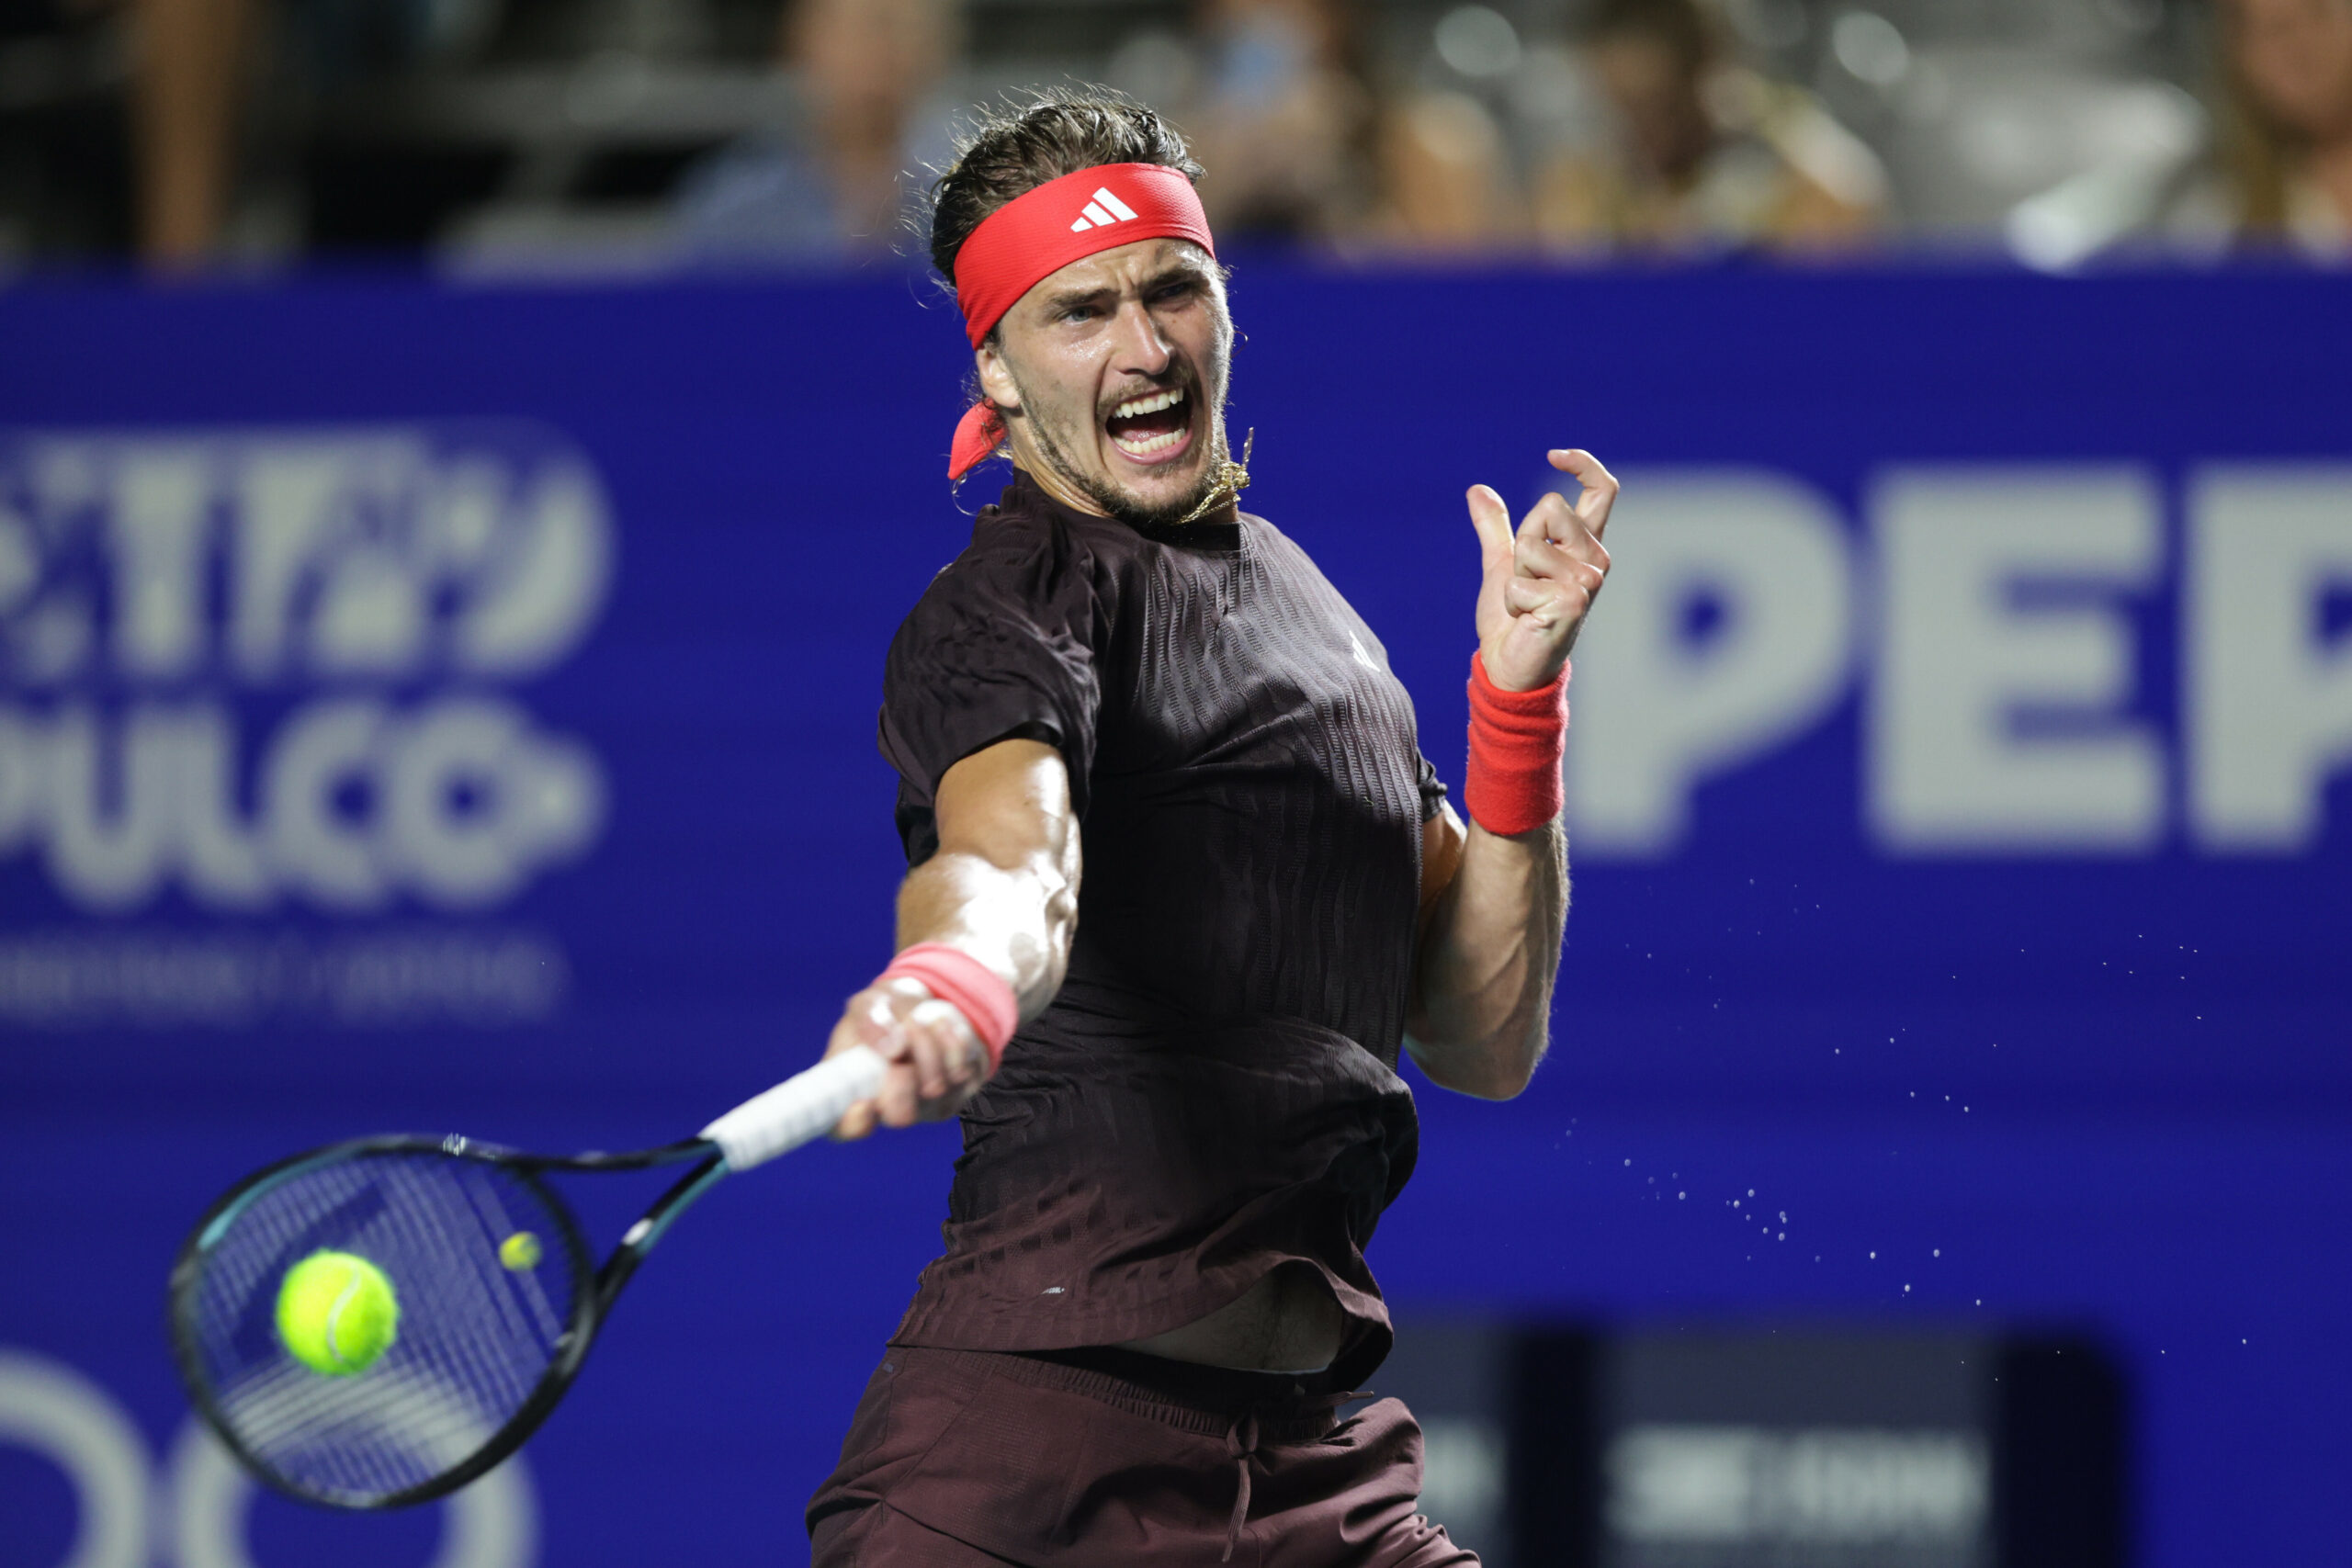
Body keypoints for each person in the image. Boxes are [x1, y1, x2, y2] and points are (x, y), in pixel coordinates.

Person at [799, 87, 1613, 1565]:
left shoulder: (1310, 606)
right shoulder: (1008, 608)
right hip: (1026, 1472)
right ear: (997, 361)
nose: (1145, 344)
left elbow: (1482, 1034)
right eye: (1081, 311)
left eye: (1175, 288)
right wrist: (958, 972)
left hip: (1314, 1473)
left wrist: (1513, 706)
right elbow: (1011, 855)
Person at [1530, 0, 1883, 255]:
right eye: (1620, 107)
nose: (1641, 129)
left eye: (1657, 104)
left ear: (1710, 70)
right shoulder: (1584, 176)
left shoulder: (1812, 177)